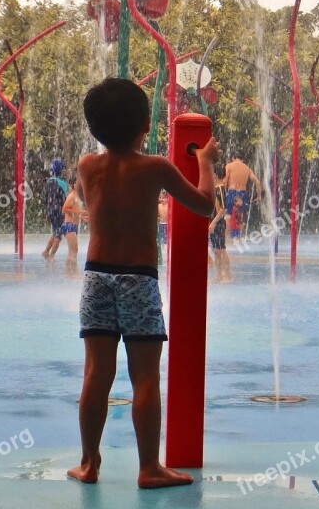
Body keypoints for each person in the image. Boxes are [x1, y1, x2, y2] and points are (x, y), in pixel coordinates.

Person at [67, 77, 217, 489]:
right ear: (146, 125)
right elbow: (203, 206)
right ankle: (149, 468)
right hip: (138, 280)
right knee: (145, 377)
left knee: (96, 374)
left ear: (94, 127)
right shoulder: (155, 168)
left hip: (96, 278)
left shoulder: (86, 166)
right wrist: (205, 163)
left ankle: (88, 463)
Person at [208, 164, 231, 283]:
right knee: (216, 250)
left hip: (219, 223)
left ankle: (227, 276)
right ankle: (219, 276)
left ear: (215, 175)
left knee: (221, 249)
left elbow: (223, 209)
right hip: (214, 223)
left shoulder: (220, 189)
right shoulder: (215, 189)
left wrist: (213, 223)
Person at [43, 159, 68, 260]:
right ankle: (51, 256)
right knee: (58, 235)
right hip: (59, 211)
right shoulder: (62, 183)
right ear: (60, 170)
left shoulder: (48, 182)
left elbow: (46, 198)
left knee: (55, 232)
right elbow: (65, 200)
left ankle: (46, 251)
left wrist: (47, 212)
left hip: (50, 210)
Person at [61, 178, 87, 276]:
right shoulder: (72, 196)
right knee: (73, 250)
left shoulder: (77, 196)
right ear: (74, 185)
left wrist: (82, 217)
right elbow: (64, 209)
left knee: (73, 250)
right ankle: (72, 273)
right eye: (78, 183)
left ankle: (69, 272)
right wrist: (81, 212)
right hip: (69, 226)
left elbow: (74, 212)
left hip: (72, 226)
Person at [224, 155, 261, 220]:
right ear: (242, 160)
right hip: (242, 194)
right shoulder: (247, 168)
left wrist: (225, 191)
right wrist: (259, 196)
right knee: (239, 219)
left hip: (232, 193)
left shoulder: (229, 166)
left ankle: (228, 221)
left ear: (233, 158)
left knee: (228, 219)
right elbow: (257, 182)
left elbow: (225, 180)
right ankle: (240, 228)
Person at [157, 191, 168, 265]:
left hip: (167, 225)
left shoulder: (169, 206)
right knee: (161, 242)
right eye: (160, 197)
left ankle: (167, 256)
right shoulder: (158, 206)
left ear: (167, 198)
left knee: (166, 241)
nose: (161, 199)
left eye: (163, 198)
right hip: (161, 224)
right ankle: (163, 257)